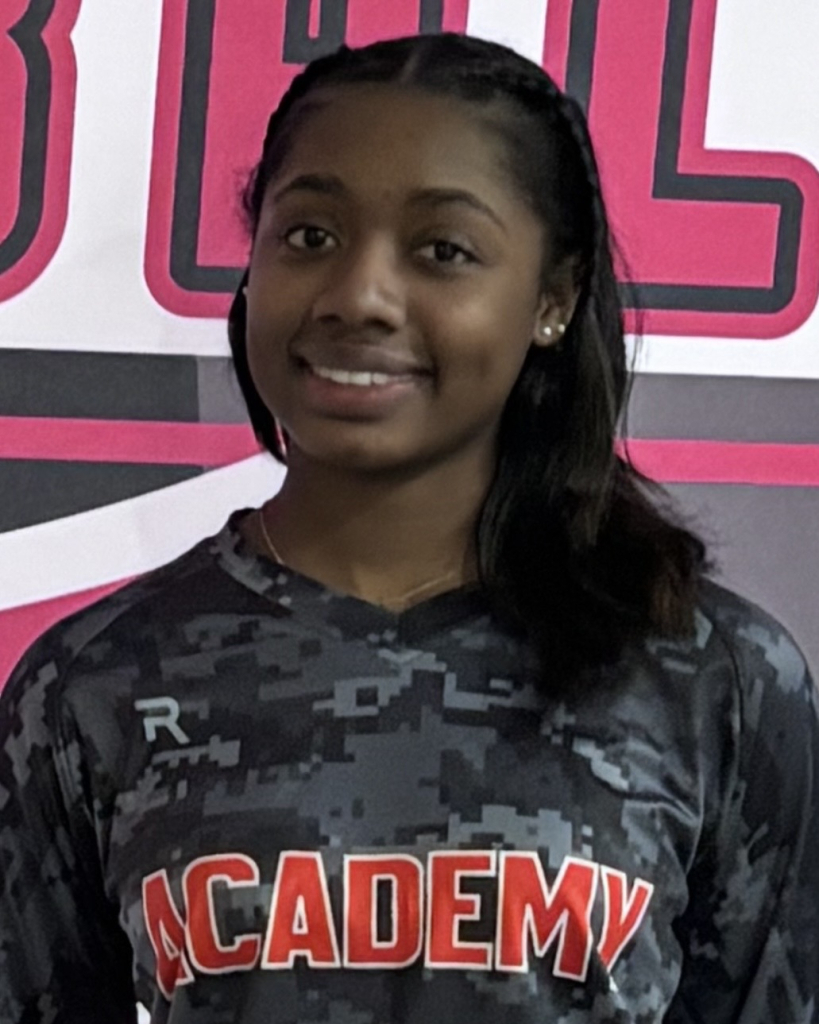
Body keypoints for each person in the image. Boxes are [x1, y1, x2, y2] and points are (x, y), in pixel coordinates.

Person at [1, 32, 817, 1024]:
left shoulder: (712, 678)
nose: (359, 296)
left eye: (443, 251)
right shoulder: (93, 684)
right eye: (310, 236)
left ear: (553, 299)